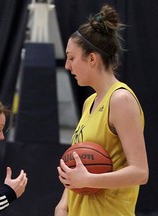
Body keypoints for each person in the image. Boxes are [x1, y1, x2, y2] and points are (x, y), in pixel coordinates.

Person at [54, 4, 148, 216]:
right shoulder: (90, 102)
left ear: (92, 58)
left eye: (71, 58)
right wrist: (63, 203)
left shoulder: (121, 99)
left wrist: (90, 180)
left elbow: (141, 172)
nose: (68, 66)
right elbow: (79, 160)